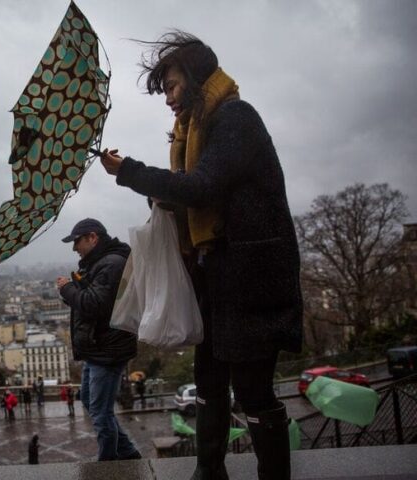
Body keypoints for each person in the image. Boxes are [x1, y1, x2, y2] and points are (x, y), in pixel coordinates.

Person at [99, 31, 302, 480]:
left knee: (252, 390)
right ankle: (209, 472)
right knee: (209, 379)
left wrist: (130, 172)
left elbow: (203, 187)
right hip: (219, 273)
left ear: (195, 78)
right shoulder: (195, 130)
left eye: (171, 86)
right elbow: (197, 197)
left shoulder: (234, 118)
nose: (168, 98)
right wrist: (156, 196)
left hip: (253, 276)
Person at [57, 218, 142, 461]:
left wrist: (67, 289)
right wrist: (74, 289)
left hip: (107, 349)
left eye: (77, 242)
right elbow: (94, 299)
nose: (75, 248)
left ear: (92, 237)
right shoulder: (101, 262)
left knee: (101, 413)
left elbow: (94, 304)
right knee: (88, 400)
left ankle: (107, 463)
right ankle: (127, 452)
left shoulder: (111, 263)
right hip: (98, 348)